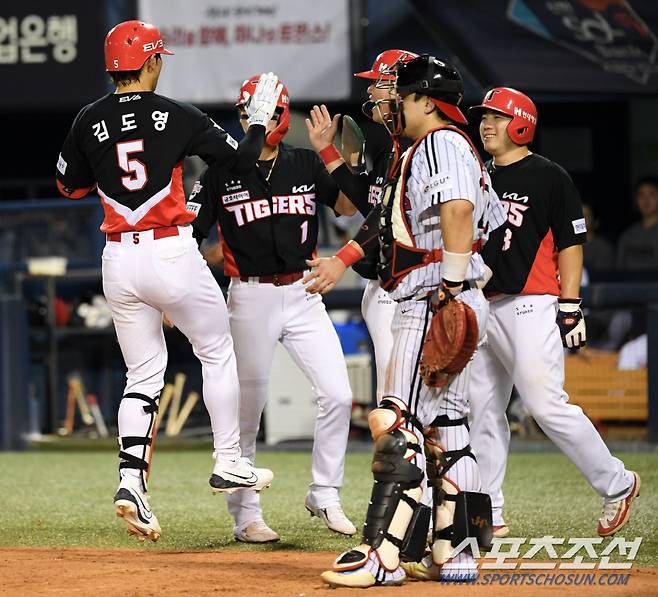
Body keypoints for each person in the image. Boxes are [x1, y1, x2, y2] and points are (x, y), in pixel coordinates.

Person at [55, 20, 280, 542]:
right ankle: (229, 460)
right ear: (151, 61)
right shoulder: (177, 115)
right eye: (160, 58)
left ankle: (131, 482)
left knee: (143, 374)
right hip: (170, 252)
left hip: (118, 259)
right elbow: (242, 168)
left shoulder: (87, 120)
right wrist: (257, 126)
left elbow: (67, 185)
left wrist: (104, 166)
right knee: (216, 349)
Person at [314, 55, 507, 587]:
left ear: (425, 99)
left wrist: (449, 284)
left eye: (400, 94)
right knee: (448, 426)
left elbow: (459, 212)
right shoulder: (429, 145)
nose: (390, 102)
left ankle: (384, 554)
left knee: (397, 424)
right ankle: (456, 552)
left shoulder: (441, 141)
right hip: (447, 290)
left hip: (433, 293)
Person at [189, 75, 358, 543]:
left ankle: (324, 491)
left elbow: (346, 206)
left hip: (303, 293)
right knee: (247, 409)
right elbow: (190, 236)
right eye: (246, 113)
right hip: (250, 296)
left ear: (282, 115)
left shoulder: (303, 162)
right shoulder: (222, 169)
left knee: (339, 395)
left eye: (263, 112)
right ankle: (246, 515)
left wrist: (338, 155)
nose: (254, 121)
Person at [467, 87, 640, 541]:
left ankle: (618, 483)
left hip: (532, 302)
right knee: (482, 409)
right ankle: (490, 511)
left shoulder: (549, 176)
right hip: (484, 303)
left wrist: (570, 303)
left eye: (498, 117)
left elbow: (570, 243)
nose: (487, 124)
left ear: (522, 123)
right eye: (484, 116)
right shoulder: (477, 175)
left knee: (545, 405)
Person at [305, 49, 417, 402]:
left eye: (378, 85)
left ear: (401, 89)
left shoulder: (424, 146)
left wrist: (342, 259)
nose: (371, 94)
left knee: (406, 390)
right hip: (389, 280)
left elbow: (383, 217)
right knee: (397, 390)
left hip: (414, 282)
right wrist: (330, 152)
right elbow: (367, 202)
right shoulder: (394, 148)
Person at [616, 176, 658, 270]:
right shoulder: (627, 236)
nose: (646, 200)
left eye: (652, 194)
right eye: (641, 195)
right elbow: (618, 271)